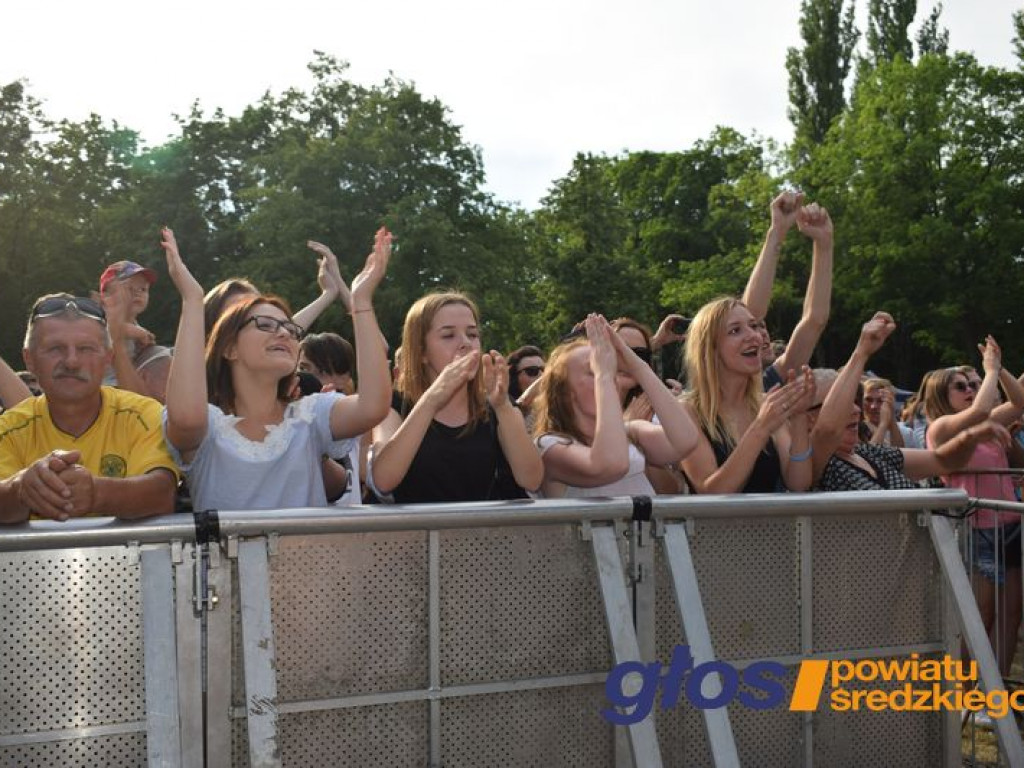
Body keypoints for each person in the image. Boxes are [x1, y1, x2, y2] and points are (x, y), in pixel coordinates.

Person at [162, 227, 391, 511]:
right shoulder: (208, 424)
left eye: (289, 328)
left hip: (310, 558)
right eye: (265, 326)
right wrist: (192, 300)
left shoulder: (311, 415)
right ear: (228, 348)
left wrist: (361, 302)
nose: (284, 334)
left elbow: (374, 406)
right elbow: (185, 419)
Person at [0, 294, 178, 522]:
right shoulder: (9, 427)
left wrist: (97, 492)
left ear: (108, 359)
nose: (72, 361)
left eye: (85, 349)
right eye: (55, 349)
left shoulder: (144, 414)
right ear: (29, 359)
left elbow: (163, 494)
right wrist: (21, 488)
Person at [369, 292, 543, 503]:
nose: (466, 344)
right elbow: (383, 480)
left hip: (481, 534)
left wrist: (503, 406)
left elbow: (532, 480)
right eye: (448, 335)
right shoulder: (393, 405)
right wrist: (431, 400)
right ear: (421, 351)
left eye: (472, 334)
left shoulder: (497, 406)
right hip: (416, 534)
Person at [810, 313, 1009, 492]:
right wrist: (861, 352)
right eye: (839, 404)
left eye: (854, 400)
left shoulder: (869, 452)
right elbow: (826, 430)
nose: (855, 409)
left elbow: (942, 461)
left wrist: (968, 438)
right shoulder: (818, 463)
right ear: (808, 418)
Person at [924, 339, 1024, 677]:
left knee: (1011, 613)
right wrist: (990, 371)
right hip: (978, 530)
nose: (971, 389)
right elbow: (980, 412)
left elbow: (1019, 402)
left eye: (974, 385)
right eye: (961, 386)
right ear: (941, 394)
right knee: (980, 615)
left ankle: (996, 692)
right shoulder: (940, 428)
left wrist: (1000, 364)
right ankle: (967, 698)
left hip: (1009, 526)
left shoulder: (985, 422)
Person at [532, 314, 699, 498]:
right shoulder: (550, 446)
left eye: (610, 368)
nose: (610, 375)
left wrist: (635, 364)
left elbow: (686, 440)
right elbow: (610, 465)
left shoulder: (631, 430)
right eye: (593, 370)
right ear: (564, 393)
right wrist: (603, 375)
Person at [679, 297, 815, 494]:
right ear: (710, 349)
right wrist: (761, 428)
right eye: (735, 330)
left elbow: (799, 483)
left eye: (754, 326)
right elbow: (713, 492)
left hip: (773, 524)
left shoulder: (765, 404)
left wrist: (800, 415)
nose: (754, 336)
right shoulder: (687, 411)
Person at [742, 192, 834, 389]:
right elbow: (751, 313)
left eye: (761, 327)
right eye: (735, 330)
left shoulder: (769, 381)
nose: (760, 334)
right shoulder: (704, 399)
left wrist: (824, 245)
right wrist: (776, 232)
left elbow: (815, 320)